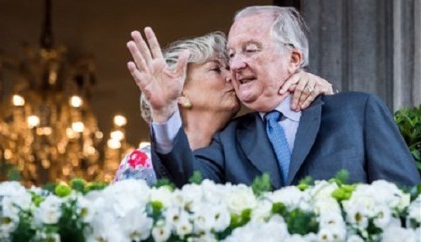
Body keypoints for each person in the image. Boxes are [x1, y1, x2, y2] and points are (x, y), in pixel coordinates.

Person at [132, 5, 420, 188]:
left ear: (293, 58)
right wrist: (164, 112)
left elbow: (408, 202)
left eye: (250, 49)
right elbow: (187, 181)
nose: (235, 65)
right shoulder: (229, 140)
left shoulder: (359, 112)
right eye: (231, 54)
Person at [116, 31, 334, 185]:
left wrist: (310, 92)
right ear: (181, 93)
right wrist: (163, 111)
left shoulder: (257, 139)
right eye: (216, 69)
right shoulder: (142, 164)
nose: (233, 76)